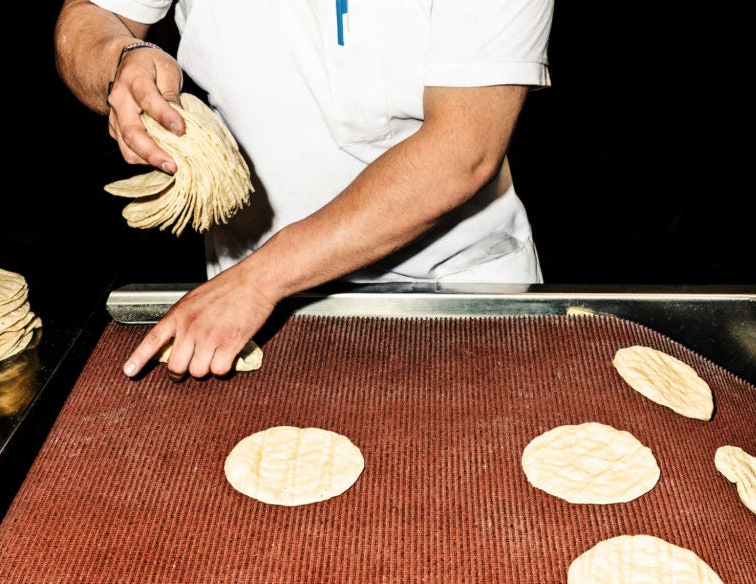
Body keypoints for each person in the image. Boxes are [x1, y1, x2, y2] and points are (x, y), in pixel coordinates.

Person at [54, 0, 553, 379]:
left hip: (455, 290)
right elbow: (91, 16)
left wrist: (259, 281)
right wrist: (121, 61)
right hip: (246, 309)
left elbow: (462, 150)